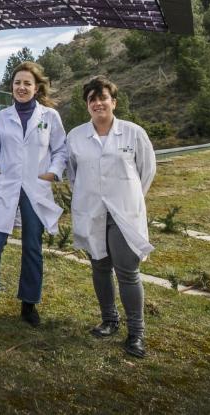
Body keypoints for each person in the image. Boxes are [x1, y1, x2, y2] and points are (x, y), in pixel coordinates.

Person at [0, 61, 67, 326]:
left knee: (32, 246)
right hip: (6, 185)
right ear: (11, 86)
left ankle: (29, 304)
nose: (21, 87)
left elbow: (61, 150)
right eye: (17, 83)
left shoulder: (50, 116)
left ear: (36, 88)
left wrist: (53, 172)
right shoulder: (2, 116)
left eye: (27, 83)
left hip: (36, 188)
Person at [67, 76, 156, 358]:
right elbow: (73, 174)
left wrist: (129, 197)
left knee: (127, 272)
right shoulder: (75, 136)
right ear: (87, 105)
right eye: (92, 99)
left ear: (113, 102)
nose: (98, 103)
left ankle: (136, 333)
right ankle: (109, 320)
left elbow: (146, 172)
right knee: (100, 267)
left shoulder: (133, 133)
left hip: (124, 214)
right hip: (92, 211)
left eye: (102, 98)